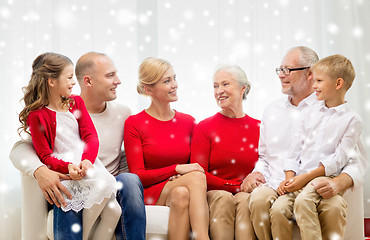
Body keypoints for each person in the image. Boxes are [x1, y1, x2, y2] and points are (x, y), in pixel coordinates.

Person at [10, 52, 146, 240]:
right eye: (110, 75)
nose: (118, 81)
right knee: (67, 194)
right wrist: (47, 170)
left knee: (122, 193)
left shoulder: (115, 111)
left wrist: (87, 161)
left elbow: (92, 137)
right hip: (67, 174)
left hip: (96, 172)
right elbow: (31, 151)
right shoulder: (40, 115)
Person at [242, 46, 367, 240]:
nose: (281, 75)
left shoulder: (330, 108)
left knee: (328, 206)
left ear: (310, 73)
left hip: (316, 183)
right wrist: (257, 172)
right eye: (279, 70)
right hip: (277, 182)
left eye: (287, 70)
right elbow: (264, 156)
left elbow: (355, 162)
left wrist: (337, 183)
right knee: (258, 201)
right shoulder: (271, 110)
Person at [124, 57, 210, 240]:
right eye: (167, 81)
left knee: (181, 194)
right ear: (149, 90)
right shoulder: (135, 123)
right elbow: (137, 175)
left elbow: (197, 167)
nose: (175, 85)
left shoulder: (188, 122)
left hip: (179, 187)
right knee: (195, 177)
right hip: (150, 191)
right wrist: (176, 168)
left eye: (174, 78)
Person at [190, 65, 260, 240]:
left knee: (245, 201)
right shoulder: (205, 127)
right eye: (215, 86)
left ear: (242, 88)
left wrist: (252, 183)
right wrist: (235, 186)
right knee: (224, 198)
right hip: (215, 193)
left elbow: (268, 165)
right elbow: (198, 173)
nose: (219, 91)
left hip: (245, 193)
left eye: (225, 84)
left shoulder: (259, 127)